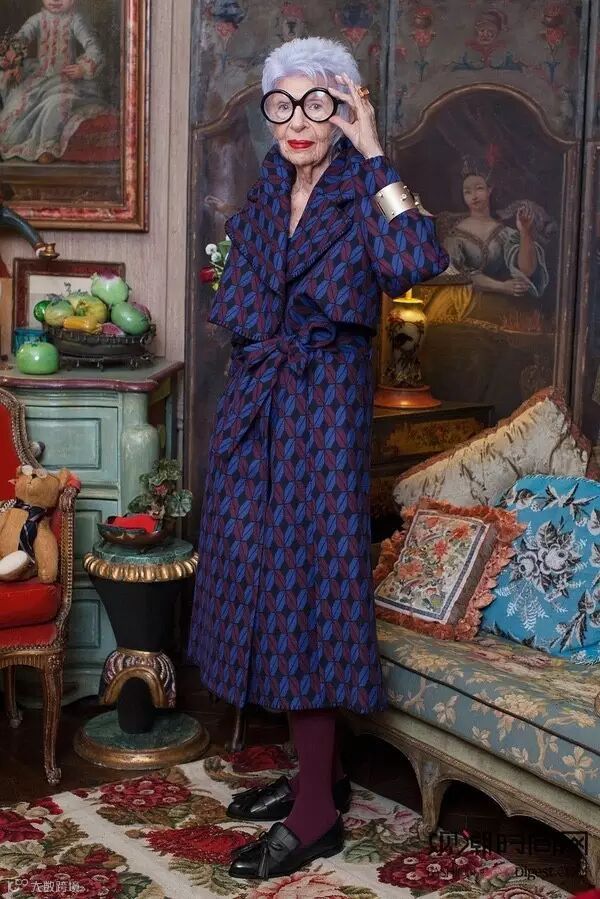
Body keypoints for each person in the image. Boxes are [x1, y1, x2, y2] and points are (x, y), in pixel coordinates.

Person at [187, 36, 449, 880]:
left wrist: (375, 155)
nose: (298, 121)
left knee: (309, 585)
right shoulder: (270, 190)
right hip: (256, 407)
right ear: (268, 113)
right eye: (283, 104)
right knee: (258, 575)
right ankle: (319, 781)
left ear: (345, 110)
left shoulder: (363, 187)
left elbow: (417, 261)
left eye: (318, 103)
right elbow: (244, 303)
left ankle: (315, 820)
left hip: (323, 414)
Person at [0, 0, 108, 164]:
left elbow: (94, 48)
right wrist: (15, 61)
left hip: (64, 78)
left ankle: (47, 147)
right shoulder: (37, 19)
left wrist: (82, 68)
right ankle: (11, 142)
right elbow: (19, 41)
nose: (55, 0)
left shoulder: (75, 20)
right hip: (38, 77)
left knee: (55, 104)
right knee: (18, 103)